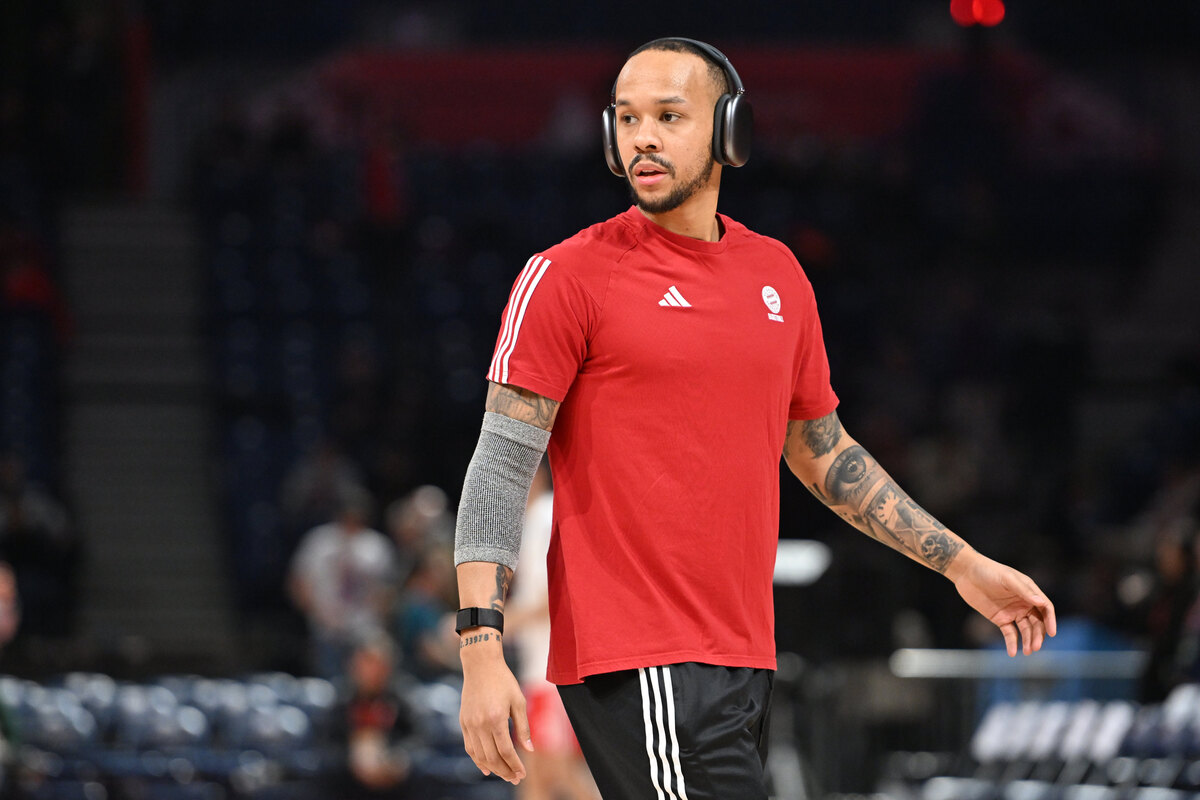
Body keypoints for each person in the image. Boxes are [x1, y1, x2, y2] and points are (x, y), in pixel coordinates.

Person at [453, 37, 1057, 799]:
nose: (642, 136)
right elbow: (500, 464)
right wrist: (481, 650)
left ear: (728, 131)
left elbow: (825, 454)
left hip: (743, 653)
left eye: (669, 116)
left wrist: (962, 564)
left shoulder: (778, 275)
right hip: (639, 653)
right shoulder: (567, 276)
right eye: (627, 117)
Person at [288, 486, 396, 678]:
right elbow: (298, 583)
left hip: (364, 630)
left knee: (363, 683)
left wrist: (375, 617)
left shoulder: (376, 546)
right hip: (326, 630)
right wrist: (318, 614)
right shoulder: (319, 541)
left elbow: (387, 592)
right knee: (327, 684)